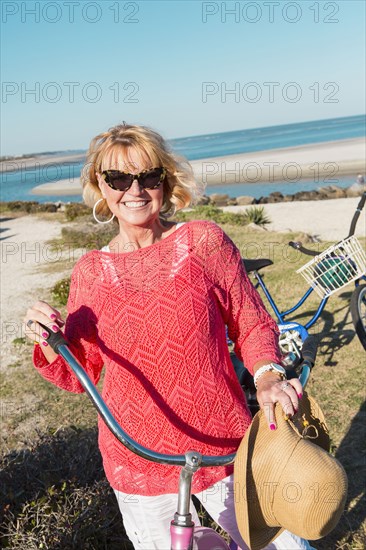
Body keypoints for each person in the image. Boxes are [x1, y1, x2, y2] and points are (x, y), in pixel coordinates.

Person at [24, 123, 310, 550]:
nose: (134, 189)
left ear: (166, 181)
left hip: (225, 446)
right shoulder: (90, 272)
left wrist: (268, 374)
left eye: (148, 176)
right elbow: (76, 373)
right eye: (118, 178)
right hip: (136, 462)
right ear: (100, 187)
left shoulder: (203, 242)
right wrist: (48, 338)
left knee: (281, 546)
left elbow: (251, 322)